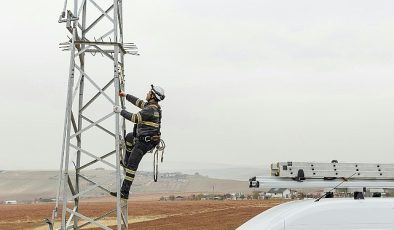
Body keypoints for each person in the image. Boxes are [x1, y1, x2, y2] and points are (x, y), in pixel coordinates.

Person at [111, 84, 165, 199]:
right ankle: (126, 161)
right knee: (130, 137)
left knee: (132, 166)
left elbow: (135, 118)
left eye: (149, 92)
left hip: (145, 142)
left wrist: (120, 111)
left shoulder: (150, 109)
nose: (147, 93)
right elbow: (138, 102)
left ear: (152, 96)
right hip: (146, 139)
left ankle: (124, 192)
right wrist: (125, 95)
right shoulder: (151, 106)